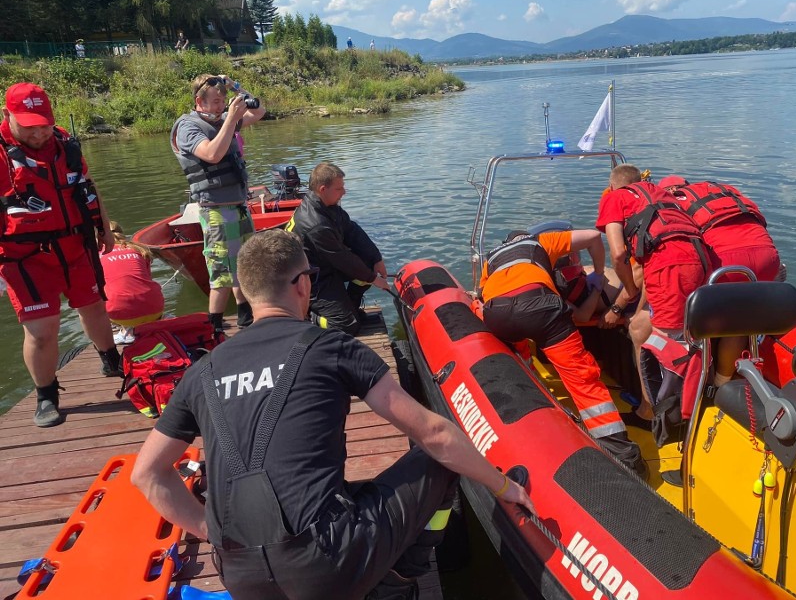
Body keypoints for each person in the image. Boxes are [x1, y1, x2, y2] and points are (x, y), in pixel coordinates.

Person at [131, 229, 534, 600]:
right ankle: (399, 582)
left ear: (248, 292)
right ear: (303, 283)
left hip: (240, 576)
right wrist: (505, 488)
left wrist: (212, 532)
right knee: (438, 458)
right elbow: (435, 436)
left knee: (342, 492)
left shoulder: (202, 372)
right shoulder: (329, 347)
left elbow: (146, 475)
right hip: (328, 568)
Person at [0, 83, 122, 427]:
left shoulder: (64, 144)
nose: (39, 132)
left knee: (95, 307)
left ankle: (111, 359)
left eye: (44, 123)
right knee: (42, 330)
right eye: (29, 125)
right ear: (6, 116)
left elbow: (88, 184)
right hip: (25, 256)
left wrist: (105, 227)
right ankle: (46, 394)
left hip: (76, 245)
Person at [479, 228, 646, 477]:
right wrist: (599, 275)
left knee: (518, 355)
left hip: (499, 314)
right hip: (540, 307)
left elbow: (485, 296)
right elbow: (592, 236)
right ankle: (624, 457)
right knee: (583, 379)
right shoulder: (540, 242)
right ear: (526, 238)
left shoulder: (491, 258)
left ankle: (534, 400)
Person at [596, 164, 710, 419]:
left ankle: (658, 413)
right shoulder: (660, 194)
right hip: (701, 259)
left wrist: (627, 291)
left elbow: (618, 254)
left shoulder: (615, 197)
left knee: (663, 342)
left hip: (670, 268)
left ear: (613, 185)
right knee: (677, 330)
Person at [659, 175, 780, 386]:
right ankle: (723, 381)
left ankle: (705, 383)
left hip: (726, 262)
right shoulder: (723, 191)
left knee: (700, 312)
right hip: (769, 257)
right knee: (741, 319)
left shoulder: (673, 203)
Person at [170, 74, 266, 334]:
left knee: (245, 262)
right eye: (215, 101)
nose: (221, 106)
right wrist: (231, 119)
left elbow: (259, 111)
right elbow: (212, 154)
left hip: (238, 204)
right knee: (222, 270)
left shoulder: (225, 119)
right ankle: (213, 325)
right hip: (215, 209)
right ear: (198, 101)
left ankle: (245, 314)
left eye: (223, 101)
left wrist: (235, 84)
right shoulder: (188, 127)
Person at [285, 162, 389, 335]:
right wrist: (374, 279)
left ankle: (352, 307)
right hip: (310, 278)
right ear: (323, 189)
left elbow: (351, 230)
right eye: (339, 189)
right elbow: (342, 259)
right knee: (346, 326)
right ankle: (310, 316)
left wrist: (376, 258)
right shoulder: (315, 224)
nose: (344, 192)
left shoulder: (327, 206)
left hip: (325, 266)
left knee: (368, 261)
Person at [100, 221, 165, 344]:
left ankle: (126, 331)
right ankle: (150, 323)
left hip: (120, 314)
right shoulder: (138, 249)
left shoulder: (96, 255)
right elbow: (146, 278)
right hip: (155, 308)